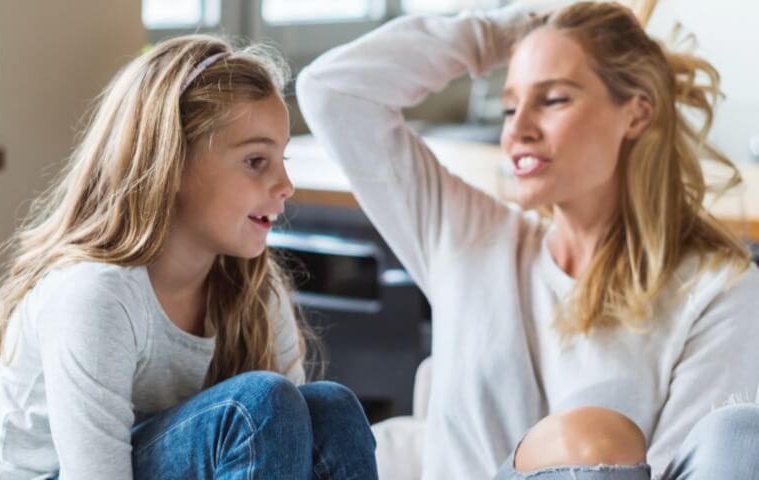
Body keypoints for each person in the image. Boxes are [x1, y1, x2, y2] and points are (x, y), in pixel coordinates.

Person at [296, 2, 759, 479]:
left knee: (607, 439)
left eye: (554, 100)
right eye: (510, 107)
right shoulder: (466, 234)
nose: (517, 131)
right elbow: (332, 93)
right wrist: (522, 27)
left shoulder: (720, 292)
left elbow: (703, 468)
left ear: (638, 114)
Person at [0, 34, 377, 480]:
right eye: (256, 160)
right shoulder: (96, 296)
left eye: (282, 158)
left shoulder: (256, 289)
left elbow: (292, 455)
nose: (286, 183)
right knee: (256, 407)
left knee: (330, 409)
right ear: (172, 163)